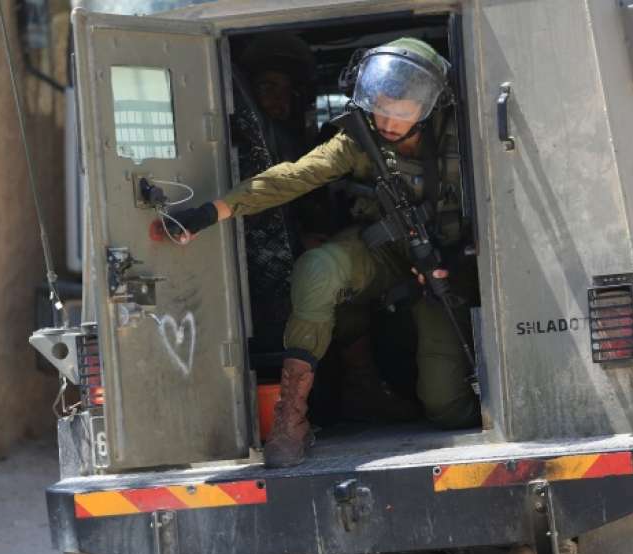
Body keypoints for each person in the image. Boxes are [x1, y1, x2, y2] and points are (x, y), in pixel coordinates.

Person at [172, 38, 480, 467]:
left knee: (445, 406)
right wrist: (212, 212)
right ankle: (291, 418)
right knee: (317, 268)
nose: (388, 121)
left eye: (402, 111)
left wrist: (457, 266)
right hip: (382, 253)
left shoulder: (465, 136)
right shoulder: (360, 137)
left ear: (428, 107)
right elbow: (295, 176)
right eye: (381, 108)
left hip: (444, 273)